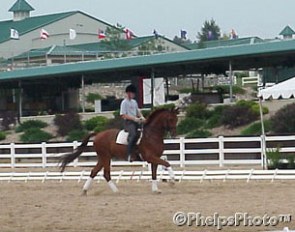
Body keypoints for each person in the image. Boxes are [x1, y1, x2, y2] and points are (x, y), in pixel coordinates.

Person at [120, 84, 145, 162]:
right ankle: (129, 154)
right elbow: (123, 115)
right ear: (128, 93)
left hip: (136, 121)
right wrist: (134, 118)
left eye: (134, 94)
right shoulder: (124, 102)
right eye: (132, 93)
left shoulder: (134, 102)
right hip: (129, 122)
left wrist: (142, 117)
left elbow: (137, 111)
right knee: (133, 134)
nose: (133, 95)